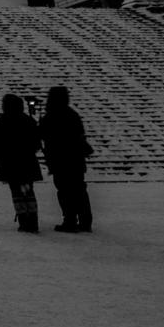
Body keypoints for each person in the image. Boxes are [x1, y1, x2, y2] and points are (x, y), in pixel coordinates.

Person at [40, 86, 93, 233]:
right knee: (79, 189)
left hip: (60, 160)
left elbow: (42, 134)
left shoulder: (51, 116)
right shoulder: (72, 115)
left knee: (64, 191)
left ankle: (69, 220)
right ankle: (85, 221)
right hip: (75, 160)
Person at [0, 94, 42, 233]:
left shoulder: (3, 121)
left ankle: (24, 221)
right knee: (28, 191)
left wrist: (1, 153)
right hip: (27, 164)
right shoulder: (27, 120)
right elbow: (37, 142)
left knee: (17, 193)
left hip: (11, 164)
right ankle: (33, 220)